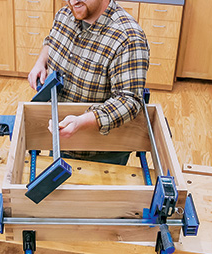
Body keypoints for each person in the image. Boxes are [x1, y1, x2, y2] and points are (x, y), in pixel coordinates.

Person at [27, 0, 149, 165]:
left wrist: (82, 122)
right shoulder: (64, 15)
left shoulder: (128, 38)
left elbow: (128, 101)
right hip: (59, 137)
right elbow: (51, 41)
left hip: (100, 154)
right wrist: (41, 62)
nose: (72, 1)